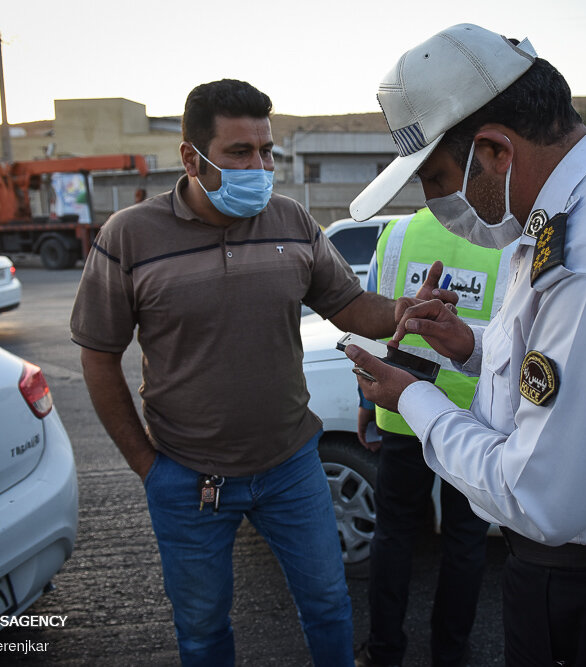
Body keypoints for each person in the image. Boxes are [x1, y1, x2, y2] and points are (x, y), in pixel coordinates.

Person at [344, 24, 586, 666]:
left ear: (493, 150)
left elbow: (537, 496)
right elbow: (558, 365)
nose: (433, 207)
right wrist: (470, 347)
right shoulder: (567, 208)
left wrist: (414, 400)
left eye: (434, 180)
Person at [71, 79, 411, 667]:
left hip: (292, 468)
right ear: (191, 157)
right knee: (202, 630)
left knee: (329, 605)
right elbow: (98, 354)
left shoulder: (292, 221)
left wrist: (405, 312)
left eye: (266, 150)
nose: (260, 165)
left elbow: (352, 308)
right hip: (187, 477)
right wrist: (147, 467)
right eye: (239, 153)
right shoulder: (129, 235)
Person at [355, 208, 515, 667]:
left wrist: (366, 403)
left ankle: (384, 650)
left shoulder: (398, 232)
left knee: (394, 534)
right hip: (475, 419)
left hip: (401, 409)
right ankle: (451, 652)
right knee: (465, 540)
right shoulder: (509, 239)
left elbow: (373, 319)